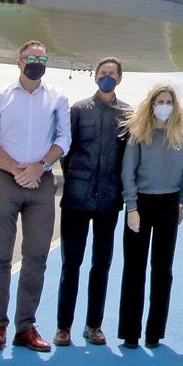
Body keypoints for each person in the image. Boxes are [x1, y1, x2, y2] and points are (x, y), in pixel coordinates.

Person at [0, 40, 71, 354]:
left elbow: (63, 139)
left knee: (37, 257)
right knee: (0, 257)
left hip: (41, 182)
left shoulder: (57, 97)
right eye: (32, 58)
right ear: (19, 62)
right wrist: (16, 169)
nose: (37, 62)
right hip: (6, 180)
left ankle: (26, 326)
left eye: (42, 58)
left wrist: (40, 166)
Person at [55, 57, 129, 347]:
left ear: (120, 79)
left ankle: (94, 325)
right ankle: (63, 327)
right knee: (71, 264)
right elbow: (66, 150)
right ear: (95, 76)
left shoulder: (126, 114)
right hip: (76, 198)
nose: (107, 76)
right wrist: (76, 177)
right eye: (103, 73)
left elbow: (127, 155)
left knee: (101, 264)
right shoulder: (78, 109)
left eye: (112, 73)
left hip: (109, 200)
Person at [117, 83, 183, 348]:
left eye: (169, 102)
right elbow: (128, 172)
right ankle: (130, 332)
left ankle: (154, 332)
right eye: (160, 101)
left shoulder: (182, 139)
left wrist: (180, 202)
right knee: (134, 269)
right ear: (151, 105)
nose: (164, 106)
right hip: (142, 204)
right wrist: (132, 207)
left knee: (162, 271)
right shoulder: (139, 136)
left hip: (169, 204)